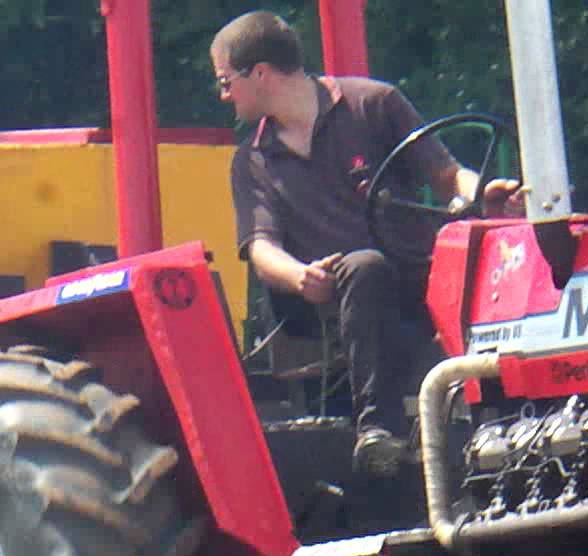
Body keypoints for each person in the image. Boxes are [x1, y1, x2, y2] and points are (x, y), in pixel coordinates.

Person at [212, 10, 519, 477]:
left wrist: (482, 193)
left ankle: (519, 410)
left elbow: (444, 173)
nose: (223, 95)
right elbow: (261, 248)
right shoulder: (253, 160)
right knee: (363, 266)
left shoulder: (373, 103)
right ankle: (378, 432)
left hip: (418, 277)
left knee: (489, 254)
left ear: (259, 73)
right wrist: (299, 277)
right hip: (338, 298)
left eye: (225, 81)